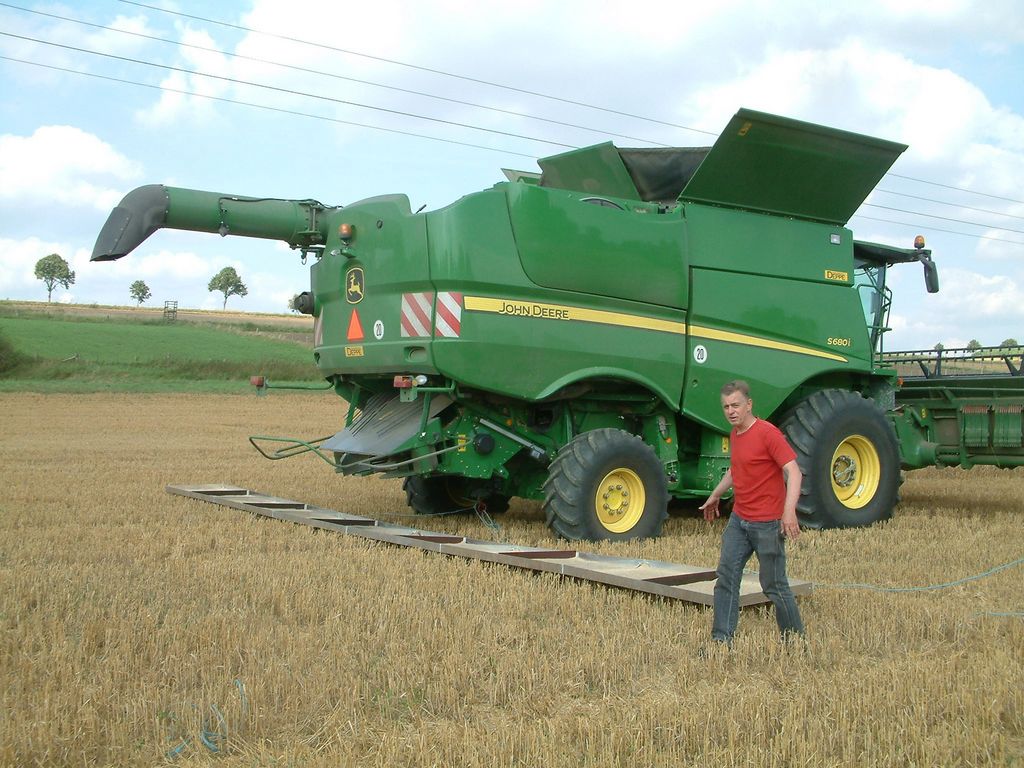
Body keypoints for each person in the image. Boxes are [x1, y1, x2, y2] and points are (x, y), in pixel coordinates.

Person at [700, 380, 805, 646]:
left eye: (735, 405)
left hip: (767, 524)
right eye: (726, 407)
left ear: (749, 404)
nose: (731, 411)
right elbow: (736, 469)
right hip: (739, 521)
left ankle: (794, 641)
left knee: (774, 585)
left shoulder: (768, 433)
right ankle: (721, 640)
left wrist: (788, 512)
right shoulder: (735, 434)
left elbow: (794, 471)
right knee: (726, 578)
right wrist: (715, 495)